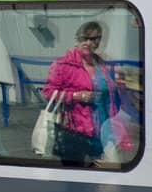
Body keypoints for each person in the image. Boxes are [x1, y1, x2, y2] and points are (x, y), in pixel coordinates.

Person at [43, 21, 124, 167]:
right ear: (76, 40)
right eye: (83, 38)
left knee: (109, 174)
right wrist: (76, 96)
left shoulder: (104, 65)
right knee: (74, 178)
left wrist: (119, 85)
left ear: (99, 41)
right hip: (74, 132)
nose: (87, 43)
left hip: (103, 130)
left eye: (93, 39)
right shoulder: (62, 65)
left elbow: (112, 95)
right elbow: (48, 92)